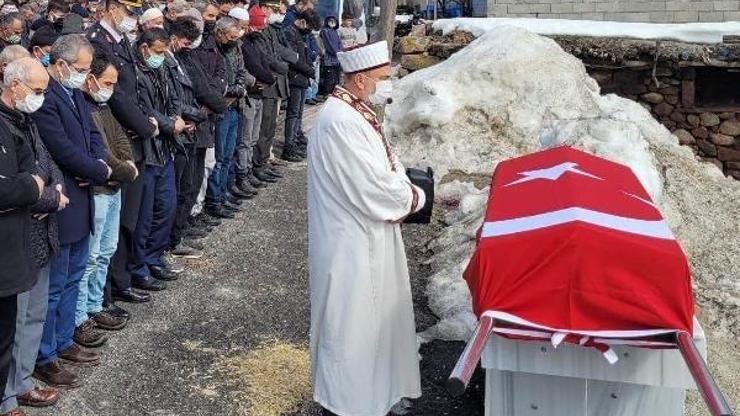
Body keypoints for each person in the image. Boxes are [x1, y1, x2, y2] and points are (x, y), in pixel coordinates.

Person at [307, 41, 426, 416]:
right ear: (360, 80)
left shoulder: (356, 111)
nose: (387, 85)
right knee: (352, 322)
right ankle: (349, 403)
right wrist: (414, 198)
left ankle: (378, 394)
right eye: (382, 78)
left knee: (376, 320)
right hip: (351, 240)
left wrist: (404, 183)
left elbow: (387, 166)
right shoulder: (340, 121)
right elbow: (371, 186)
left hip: (370, 234)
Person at [32, 34, 112, 387]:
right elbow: (61, 148)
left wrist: (100, 160)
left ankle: (64, 341)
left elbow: (91, 135)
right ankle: (45, 355)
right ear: (60, 64)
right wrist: (98, 169)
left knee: (75, 275)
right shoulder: (46, 97)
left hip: (83, 194)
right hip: (65, 197)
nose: (83, 76)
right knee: (55, 283)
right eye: (79, 69)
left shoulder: (74, 92)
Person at [88, 0, 161, 302]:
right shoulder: (98, 43)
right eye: (128, 11)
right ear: (111, 7)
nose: (131, 18)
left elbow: (134, 89)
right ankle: (114, 288)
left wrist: (146, 120)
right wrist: (145, 126)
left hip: (132, 137)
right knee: (116, 225)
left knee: (131, 218)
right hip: (118, 138)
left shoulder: (122, 41)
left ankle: (123, 277)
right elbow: (115, 97)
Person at [0, 57, 57, 416]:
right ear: (14, 85)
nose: (41, 98)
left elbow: (41, 165)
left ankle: (15, 388)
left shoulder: (24, 118)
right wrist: (32, 187)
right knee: (7, 330)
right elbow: (9, 187)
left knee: (17, 325)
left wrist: (41, 187)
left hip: (24, 235)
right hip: (6, 244)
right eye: (37, 91)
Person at [74, 52, 137, 349]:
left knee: (106, 251)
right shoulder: (81, 106)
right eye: (107, 82)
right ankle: (80, 316)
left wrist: (125, 165)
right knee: (90, 256)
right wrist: (124, 170)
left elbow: (121, 140)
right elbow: (99, 152)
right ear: (91, 79)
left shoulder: (104, 105)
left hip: (114, 187)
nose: (110, 88)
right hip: (99, 189)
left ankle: (96, 305)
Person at [127, 27, 185, 290]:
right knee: (145, 215)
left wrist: (174, 119)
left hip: (165, 149)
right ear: (144, 48)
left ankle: (155, 257)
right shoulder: (136, 73)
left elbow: (174, 97)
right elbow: (144, 110)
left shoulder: (163, 67)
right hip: (149, 151)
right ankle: (139, 266)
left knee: (166, 207)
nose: (161, 56)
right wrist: (170, 125)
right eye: (158, 52)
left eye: (164, 51)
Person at [166, 17, 210, 259]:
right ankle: (172, 239)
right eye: (185, 41)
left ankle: (179, 233)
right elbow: (173, 98)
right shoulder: (167, 61)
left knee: (190, 185)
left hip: (191, 127)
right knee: (181, 188)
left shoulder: (182, 58)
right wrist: (195, 114)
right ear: (174, 38)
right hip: (180, 130)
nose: (188, 45)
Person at [204, 16, 248, 219]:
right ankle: (214, 200)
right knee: (219, 158)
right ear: (220, 34)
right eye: (230, 36)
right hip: (220, 109)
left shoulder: (235, 47)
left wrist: (235, 90)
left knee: (228, 155)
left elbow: (241, 73)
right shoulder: (211, 49)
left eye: (235, 36)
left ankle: (223, 195)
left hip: (234, 106)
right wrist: (229, 91)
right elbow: (215, 83)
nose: (233, 40)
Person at [189, 1, 226, 225]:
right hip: (198, 114)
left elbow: (220, 73)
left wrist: (216, 93)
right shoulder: (191, 50)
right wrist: (215, 99)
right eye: (209, 16)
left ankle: (198, 208)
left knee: (208, 164)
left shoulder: (210, 43)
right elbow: (198, 84)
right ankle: (192, 214)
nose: (212, 20)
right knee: (197, 171)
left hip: (209, 111)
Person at [282, 11, 314, 162]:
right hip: (295, 77)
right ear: (301, 21)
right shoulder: (290, 33)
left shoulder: (301, 35)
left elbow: (305, 56)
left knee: (299, 113)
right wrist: (309, 70)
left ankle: (294, 141)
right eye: (309, 25)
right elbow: (294, 58)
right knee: (293, 114)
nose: (309, 29)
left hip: (302, 78)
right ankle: (288, 147)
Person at [318, 15, 340, 97]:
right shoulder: (325, 31)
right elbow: (328, 44)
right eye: (330, 21)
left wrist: (340, 51)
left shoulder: (335, 31)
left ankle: (333, 92)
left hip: (337, 59)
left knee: (335, 77)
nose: (332, 23)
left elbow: (339, 42)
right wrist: (336, 52)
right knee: (329, 77)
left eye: (334, 21)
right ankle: (326, 93)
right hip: (329, 58)